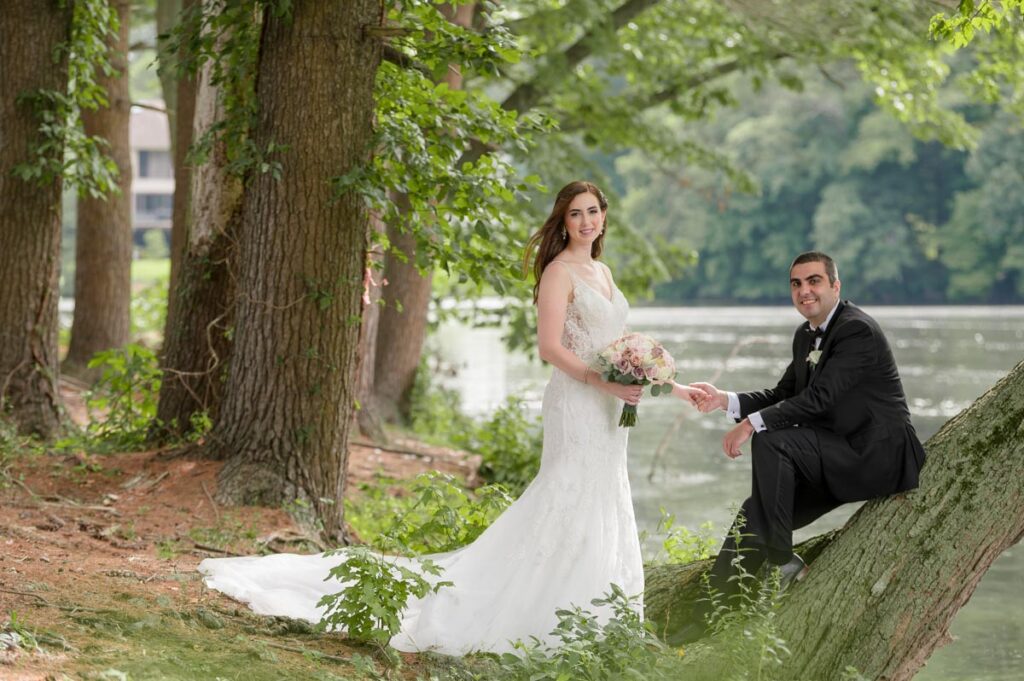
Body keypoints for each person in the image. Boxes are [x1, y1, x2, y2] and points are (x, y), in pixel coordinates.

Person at [199, 180, 679, 655]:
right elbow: (550, 347)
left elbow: (617, 348)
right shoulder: (559, 273)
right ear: (563, 221)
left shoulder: (603, 271)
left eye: (592, 211)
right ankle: (544, 608)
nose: (586, 221)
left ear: (604, 216)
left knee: (603, 495)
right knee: (567, 491)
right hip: (577, 402)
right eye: (576, 213)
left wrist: (668, 383)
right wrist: (601, 382)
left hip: (610, 407)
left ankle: (596, 608)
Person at [670, 251, 926, 640]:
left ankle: (781, 562)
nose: (804, 291)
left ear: (835, 286)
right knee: (753, 513)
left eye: (814, 281)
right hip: (836, 452)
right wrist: (725, 400)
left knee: (771, 440)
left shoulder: (856, 330)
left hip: (878, 456)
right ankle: (707, 620)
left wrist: (750, 425)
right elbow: (785, 394)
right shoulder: (806, 335)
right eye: (796, 284)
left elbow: (819, 399)